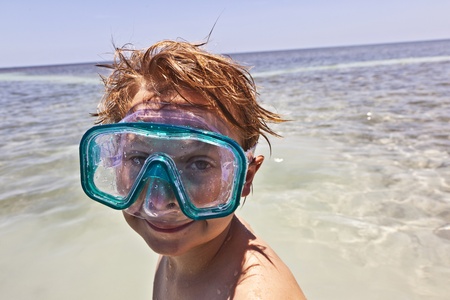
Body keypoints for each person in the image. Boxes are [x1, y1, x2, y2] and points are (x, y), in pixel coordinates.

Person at [79, 39, 306, 299]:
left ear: (244, 179)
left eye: (199, 164)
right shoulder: (187, 242)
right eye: (139, 159)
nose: (159, 202)